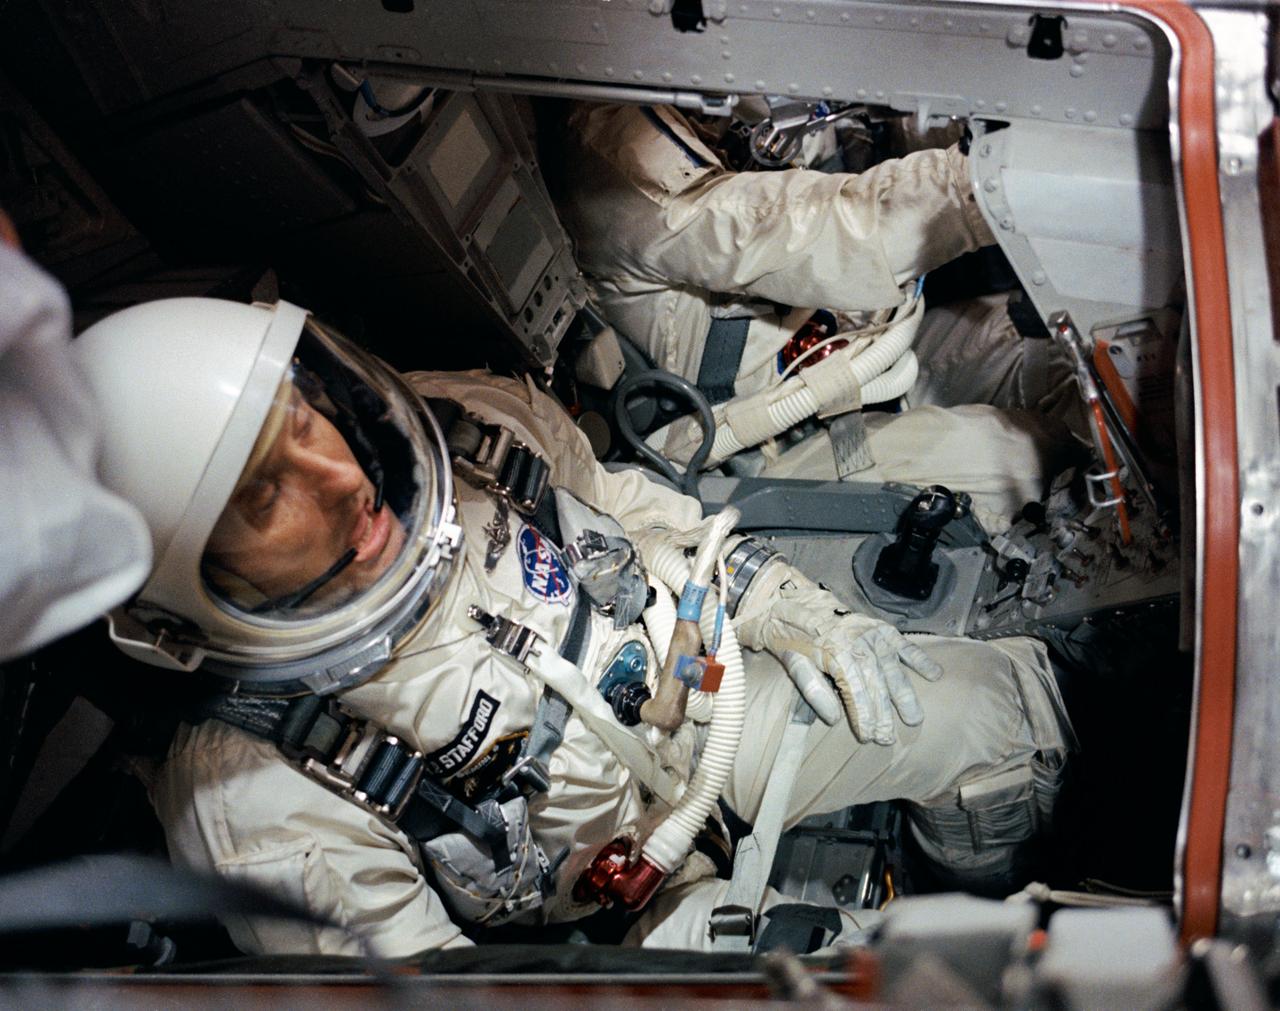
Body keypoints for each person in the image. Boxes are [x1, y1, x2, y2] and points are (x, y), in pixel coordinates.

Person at [74, 297, 1072, 956]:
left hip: (703, 713)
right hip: (605, 922)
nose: (342, 480)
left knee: (996, 721)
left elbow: (637, 511)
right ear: (189, 588)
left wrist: (790, 613)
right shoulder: (252, 801)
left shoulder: (471, 429)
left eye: (302, 423)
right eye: (262, 498)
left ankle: (988, 882)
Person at [555, 103, 1076, 520]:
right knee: (1022, 459)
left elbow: (857, 127)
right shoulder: (612, 147)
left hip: (863, 353)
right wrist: (986, 177)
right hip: (777, 435)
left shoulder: (725, 81)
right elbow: (825, 230)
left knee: (1065, 357)